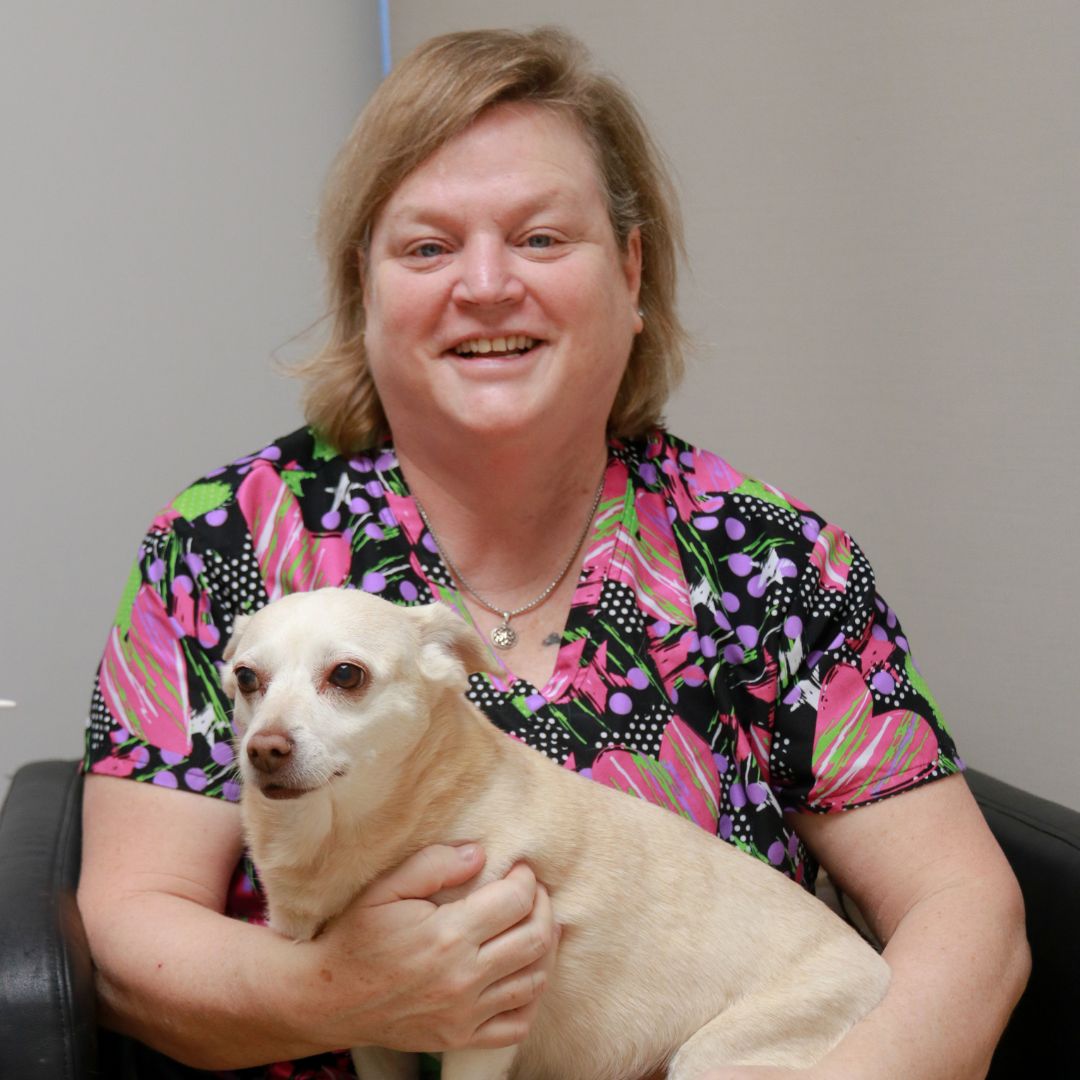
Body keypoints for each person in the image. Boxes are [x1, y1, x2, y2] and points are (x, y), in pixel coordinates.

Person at [77, 26, 1029, 1080]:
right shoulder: (222, 546)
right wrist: (343, 994)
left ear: (628, 272)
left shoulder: (770, 556)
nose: (485, 287)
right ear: (367, 287)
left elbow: (968, 912)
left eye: (539, 239)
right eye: (429, 248)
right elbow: (125, 943)